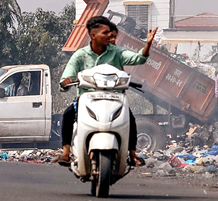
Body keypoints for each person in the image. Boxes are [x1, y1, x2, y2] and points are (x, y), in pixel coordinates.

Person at [52, 15, 157, 166]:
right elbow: (66, 76)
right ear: (93, 35)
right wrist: (66, 81)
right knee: (68, 115)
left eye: (111, 33)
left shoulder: (117, 52)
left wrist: (147, 44)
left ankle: (132, 154)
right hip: (86, 99)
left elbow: (138, 59)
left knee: (130, 118)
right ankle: (66, 152)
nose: (110, 36)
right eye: (105, 33)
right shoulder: (80, 55)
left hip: (113, 99)